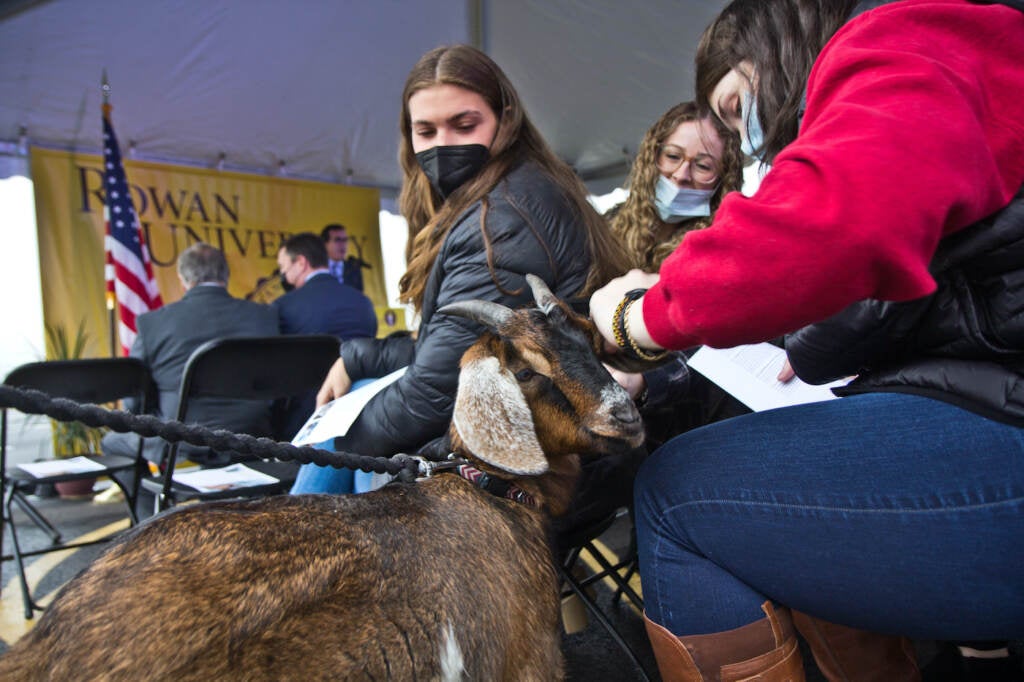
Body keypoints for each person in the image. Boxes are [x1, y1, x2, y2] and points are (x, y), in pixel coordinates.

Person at [588, 1, 1024, 680]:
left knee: (676, 495)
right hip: (983, 398)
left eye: (736, 110)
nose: (745, 132)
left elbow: (834, 225)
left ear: (772, 47)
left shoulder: (905, 36)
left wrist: (636, 323)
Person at [290, 43, 629, 495]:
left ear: (504, 121)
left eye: (464, 125)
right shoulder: (500, 197)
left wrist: (332, 445)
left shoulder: (502, 220)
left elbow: (435, 391)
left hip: (540, 454)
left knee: (343, 427)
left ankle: (297, 542)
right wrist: (357, 357)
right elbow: (447, 349)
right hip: (523, 429)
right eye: (425, 131)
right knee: (361, 391)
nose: (443, 144)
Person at [604, 101, 746, 450]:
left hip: (673, 424)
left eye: (702, 166)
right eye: (672, 156)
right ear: (652, 156)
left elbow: (710, 353)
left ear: (723, 177)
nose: (682, 174)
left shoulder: (725, 247)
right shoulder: (608, 224)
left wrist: (643, 381)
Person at [101, 243, 279, 512]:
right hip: (254, 433)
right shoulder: (264, 317)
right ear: (226, 276)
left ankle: (149, 525)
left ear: (184, 281)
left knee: (112, 442)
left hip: (179, 438)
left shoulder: (153, 324)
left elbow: (134, 402)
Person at [273, 232, 378, 340]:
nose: (282, 272)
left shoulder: (283, 306)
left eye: (282, 266)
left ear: (301, 262)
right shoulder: (364, 303)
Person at [320, 223, 366, 291]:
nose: (343, 244)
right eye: (337, 240)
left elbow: (358, 295)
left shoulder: (353, 268)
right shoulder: (316, 268)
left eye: (345, 240)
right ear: (325, 243)